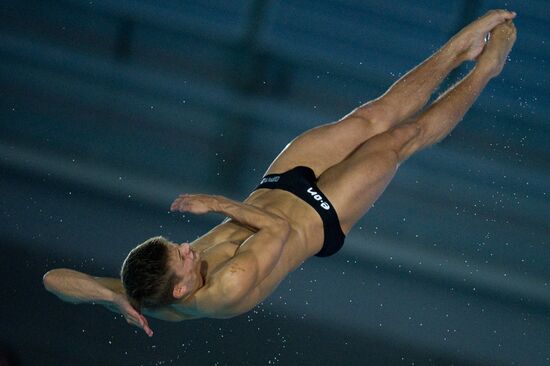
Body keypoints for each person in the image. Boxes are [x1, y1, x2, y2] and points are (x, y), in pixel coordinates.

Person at [43, 10, 517, 337]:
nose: (188, 247)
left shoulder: (151, 291)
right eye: (182, 257)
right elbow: (280, 228)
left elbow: (53, 280)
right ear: (184, 288)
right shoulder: (227, 287)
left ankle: (456, 51)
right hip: (319, 216)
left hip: (276, 185)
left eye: (177, 245)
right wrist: (217, 204)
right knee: (399, 141)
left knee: (368, 118)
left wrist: (109, 298)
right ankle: (484, 71)